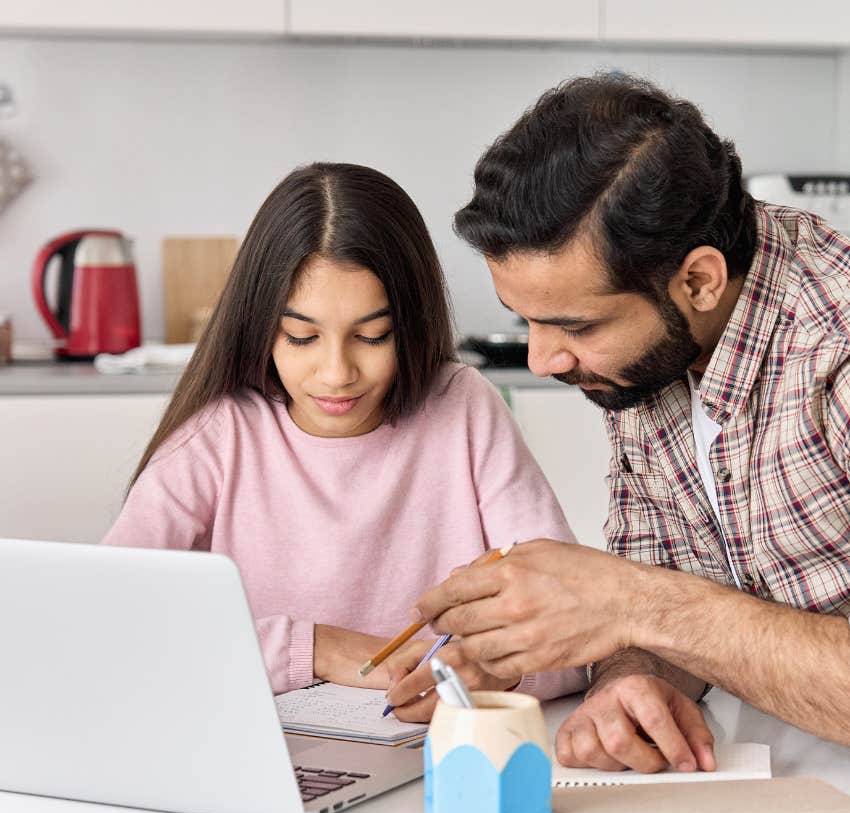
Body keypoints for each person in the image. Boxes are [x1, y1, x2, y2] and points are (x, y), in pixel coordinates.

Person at [397, 73, 850, 770]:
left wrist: (630, 604)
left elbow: (654, 599)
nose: (544, 358)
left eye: (573, 324)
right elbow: (671, 593)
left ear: (698, 280)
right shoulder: (647, 359)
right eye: (528, 320)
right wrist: (630, 682)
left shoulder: (835, 350)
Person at [102, 162, 586, 720]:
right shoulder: (222, 432)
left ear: (411, 324)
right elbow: (110, 619)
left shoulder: (463, 405)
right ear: (261, 327)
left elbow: (573, 626)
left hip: (432, 751)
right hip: (262, 754)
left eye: (372, 336)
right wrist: (315, 649)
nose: (336, 373)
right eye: (301, 337)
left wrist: (495, 668)